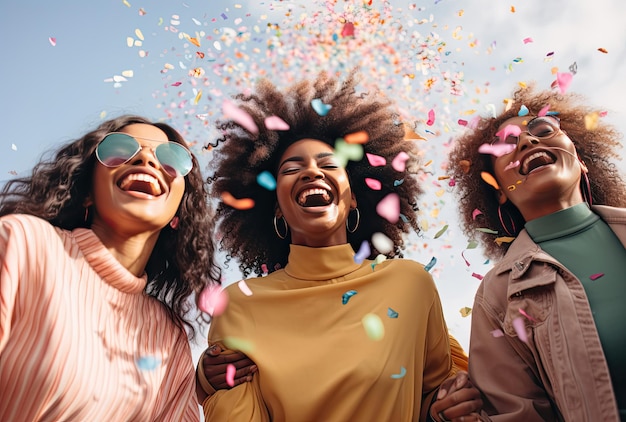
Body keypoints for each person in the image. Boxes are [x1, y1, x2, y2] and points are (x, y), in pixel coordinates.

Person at [196, 70, 483, 421]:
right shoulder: (240, 303)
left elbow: (432, 395)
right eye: (292, 168)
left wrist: (441, 410)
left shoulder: (411, 284)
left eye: (330, 165)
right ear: (276, 208)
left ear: (354, 199)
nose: (312, 172)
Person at [0, 115, 221, 421]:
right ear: (87, 190)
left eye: (172, 159)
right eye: (120, 149)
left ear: (178, 213)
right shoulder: (20, 244)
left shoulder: (169, 337)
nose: (145, 158)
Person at [448, 84, 626, 421]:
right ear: (498, 190)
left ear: (582, 162)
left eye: (543, 129)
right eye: (506, 144)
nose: (528, 142)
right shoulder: (498, 293)